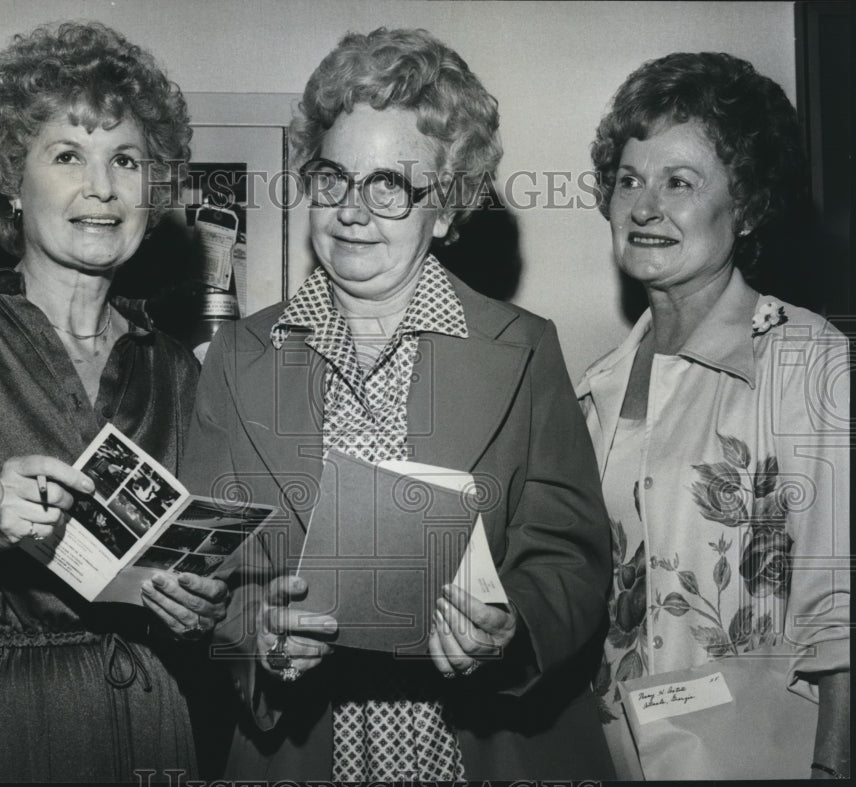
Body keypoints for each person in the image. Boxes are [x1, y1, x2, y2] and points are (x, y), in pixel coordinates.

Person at [181, 27, 615, 780]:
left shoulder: (524, 348)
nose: (353, 210)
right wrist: (260, 635)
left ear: (443, 209)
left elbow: (571, 556)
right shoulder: (236, 357)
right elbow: (204, 573)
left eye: (389, 184)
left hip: (491, 742)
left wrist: (511, 628)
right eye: (332, 177)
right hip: (306, 744)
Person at [0, 22, 228, 782]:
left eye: (125, 159)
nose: (102, 188)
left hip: (149, 720)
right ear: (11, 182)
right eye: (67, 155)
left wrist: (200, 607)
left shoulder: (178, 373)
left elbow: (197, 580)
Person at [577, 52, 850, 780]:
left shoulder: (807, 360)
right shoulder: (594, 387)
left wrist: (834, 770)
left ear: (749, 203)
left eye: (680, 182)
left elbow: (844, 608)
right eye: (629, 179)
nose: (643, 205)